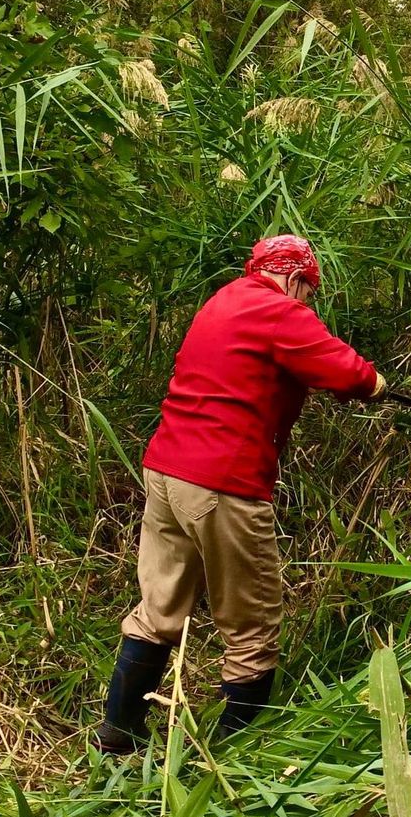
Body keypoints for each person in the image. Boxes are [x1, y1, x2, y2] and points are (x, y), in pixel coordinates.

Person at [94, 234, 385, 752]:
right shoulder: (279, 311)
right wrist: (378, 385)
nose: (307, 302)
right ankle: (239, 756)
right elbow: (347, 372)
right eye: (308, 292)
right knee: (252, 620)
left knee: (159, 607)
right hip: (222, 483)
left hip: (166, 472)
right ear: (297, 279)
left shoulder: (224, 300)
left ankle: (119, 735)